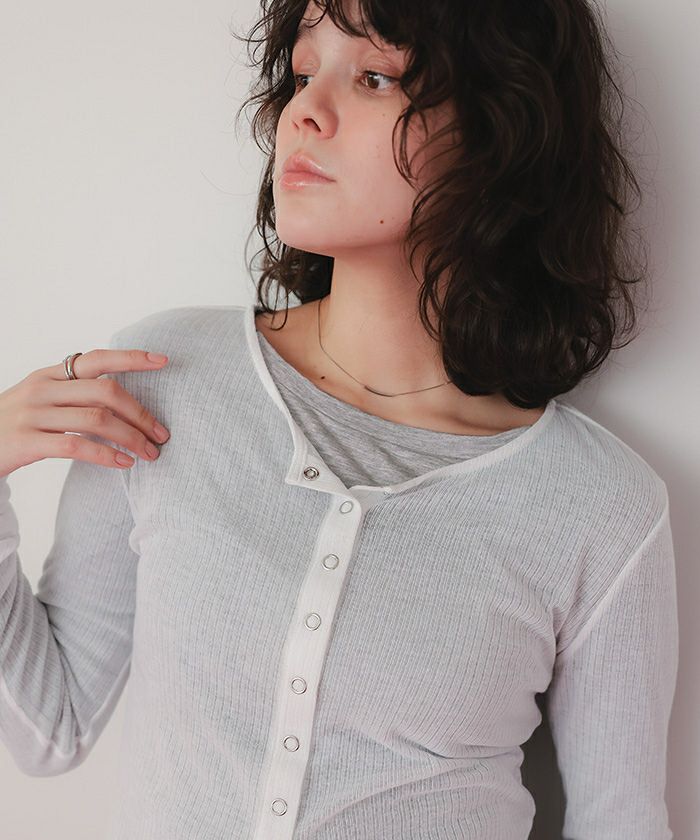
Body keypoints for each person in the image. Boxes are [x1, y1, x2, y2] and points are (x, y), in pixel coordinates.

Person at [0, 0, 678, 839]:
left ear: (500, 131)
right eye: (301, 73)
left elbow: (622, 822)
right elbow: (48, 728)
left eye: (375, 77)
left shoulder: (599, 505)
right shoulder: (162, 381)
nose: (306, 114)